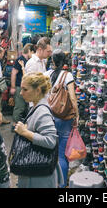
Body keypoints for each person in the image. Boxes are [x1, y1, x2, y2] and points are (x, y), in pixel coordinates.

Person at [14, 73, 63, 188]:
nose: (21, 93)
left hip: (39, 177)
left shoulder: (42, 112)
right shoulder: (36, 107)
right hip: (37, 172)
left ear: (38, 90)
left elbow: (51, 141)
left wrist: (25, 132)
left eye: (25, 89)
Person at [44, 49, 78, 188]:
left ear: (52, 61)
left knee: (50, 151)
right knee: (62, 155)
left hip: (49, 116)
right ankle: (62, 185)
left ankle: (50, 182)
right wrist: (76, 115)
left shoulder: (46, 74)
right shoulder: (68, 75)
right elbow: (72, 98)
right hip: (64, 118)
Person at [11, 43, 35, 126]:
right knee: (19, 106)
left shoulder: (27, 60)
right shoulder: (20, 59)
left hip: (25, 87)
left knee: (24, 107)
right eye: (32, 52)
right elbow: (13, 73)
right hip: (19, 87)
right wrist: (13, 87)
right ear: (29, 51)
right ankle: (14, 125)